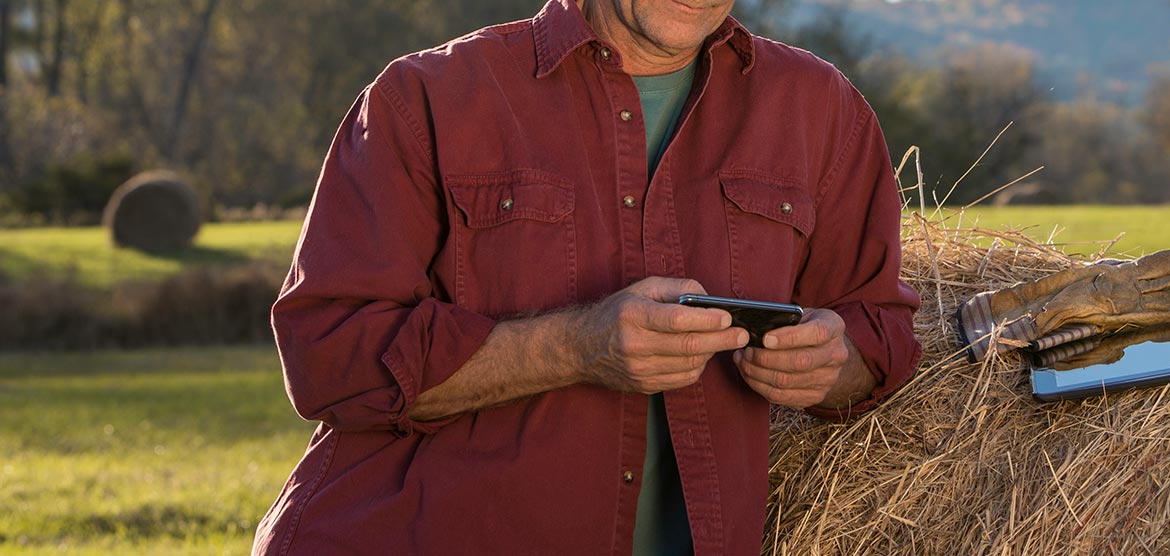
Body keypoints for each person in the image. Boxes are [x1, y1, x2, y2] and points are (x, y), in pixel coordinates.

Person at [252, 0, 921, 554]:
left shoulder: (819, 110)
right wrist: (576, 347)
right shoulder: (424, 98)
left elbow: (879, 332)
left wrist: (834, 362)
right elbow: (329, 357)